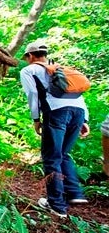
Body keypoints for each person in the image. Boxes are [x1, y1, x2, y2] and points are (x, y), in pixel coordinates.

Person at [19, 41, 90, 218]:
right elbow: (78, 93)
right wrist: (84, 119)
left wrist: (36, 119)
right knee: (63, 154)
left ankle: (57, 206)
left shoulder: (29, 70)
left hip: (56, 112)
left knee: (51, 157)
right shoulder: (59, 68)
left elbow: (33, 95)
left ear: (31, 56)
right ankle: (75, 193)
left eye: (27, 57)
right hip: (78, 112)